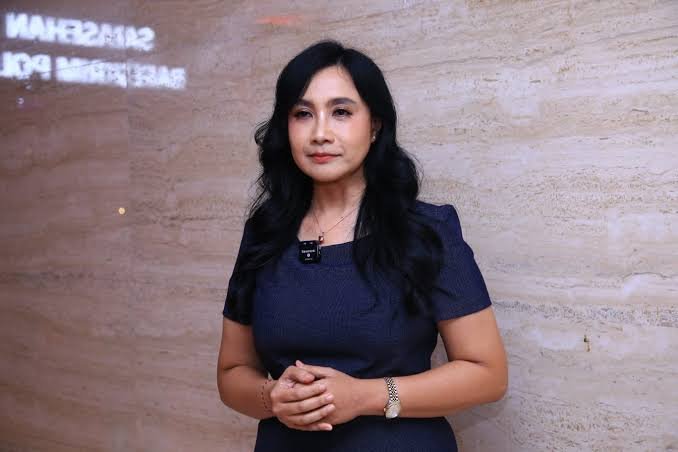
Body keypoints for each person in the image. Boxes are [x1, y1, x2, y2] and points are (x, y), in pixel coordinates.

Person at [217, 39, 508, 451]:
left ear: (375, 126)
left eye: (341, 112)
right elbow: (231, 373)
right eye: (302, 114)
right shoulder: (263, 234)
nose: (320, 133)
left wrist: (365, 396)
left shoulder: (426, 229)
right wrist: (272, 398)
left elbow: (488, 374)